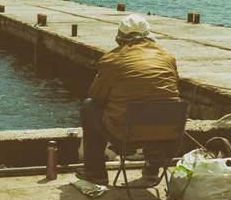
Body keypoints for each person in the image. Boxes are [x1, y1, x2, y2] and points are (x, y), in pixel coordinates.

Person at [76, 14, 180, 185]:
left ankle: (96, 172)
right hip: (169, 134)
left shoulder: (111, 59)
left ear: (120, 37)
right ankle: (152, 168)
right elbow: (175, 91)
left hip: (125, 134)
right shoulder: (168, 57)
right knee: (157, 108)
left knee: (88, 106)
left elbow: (96, 96)